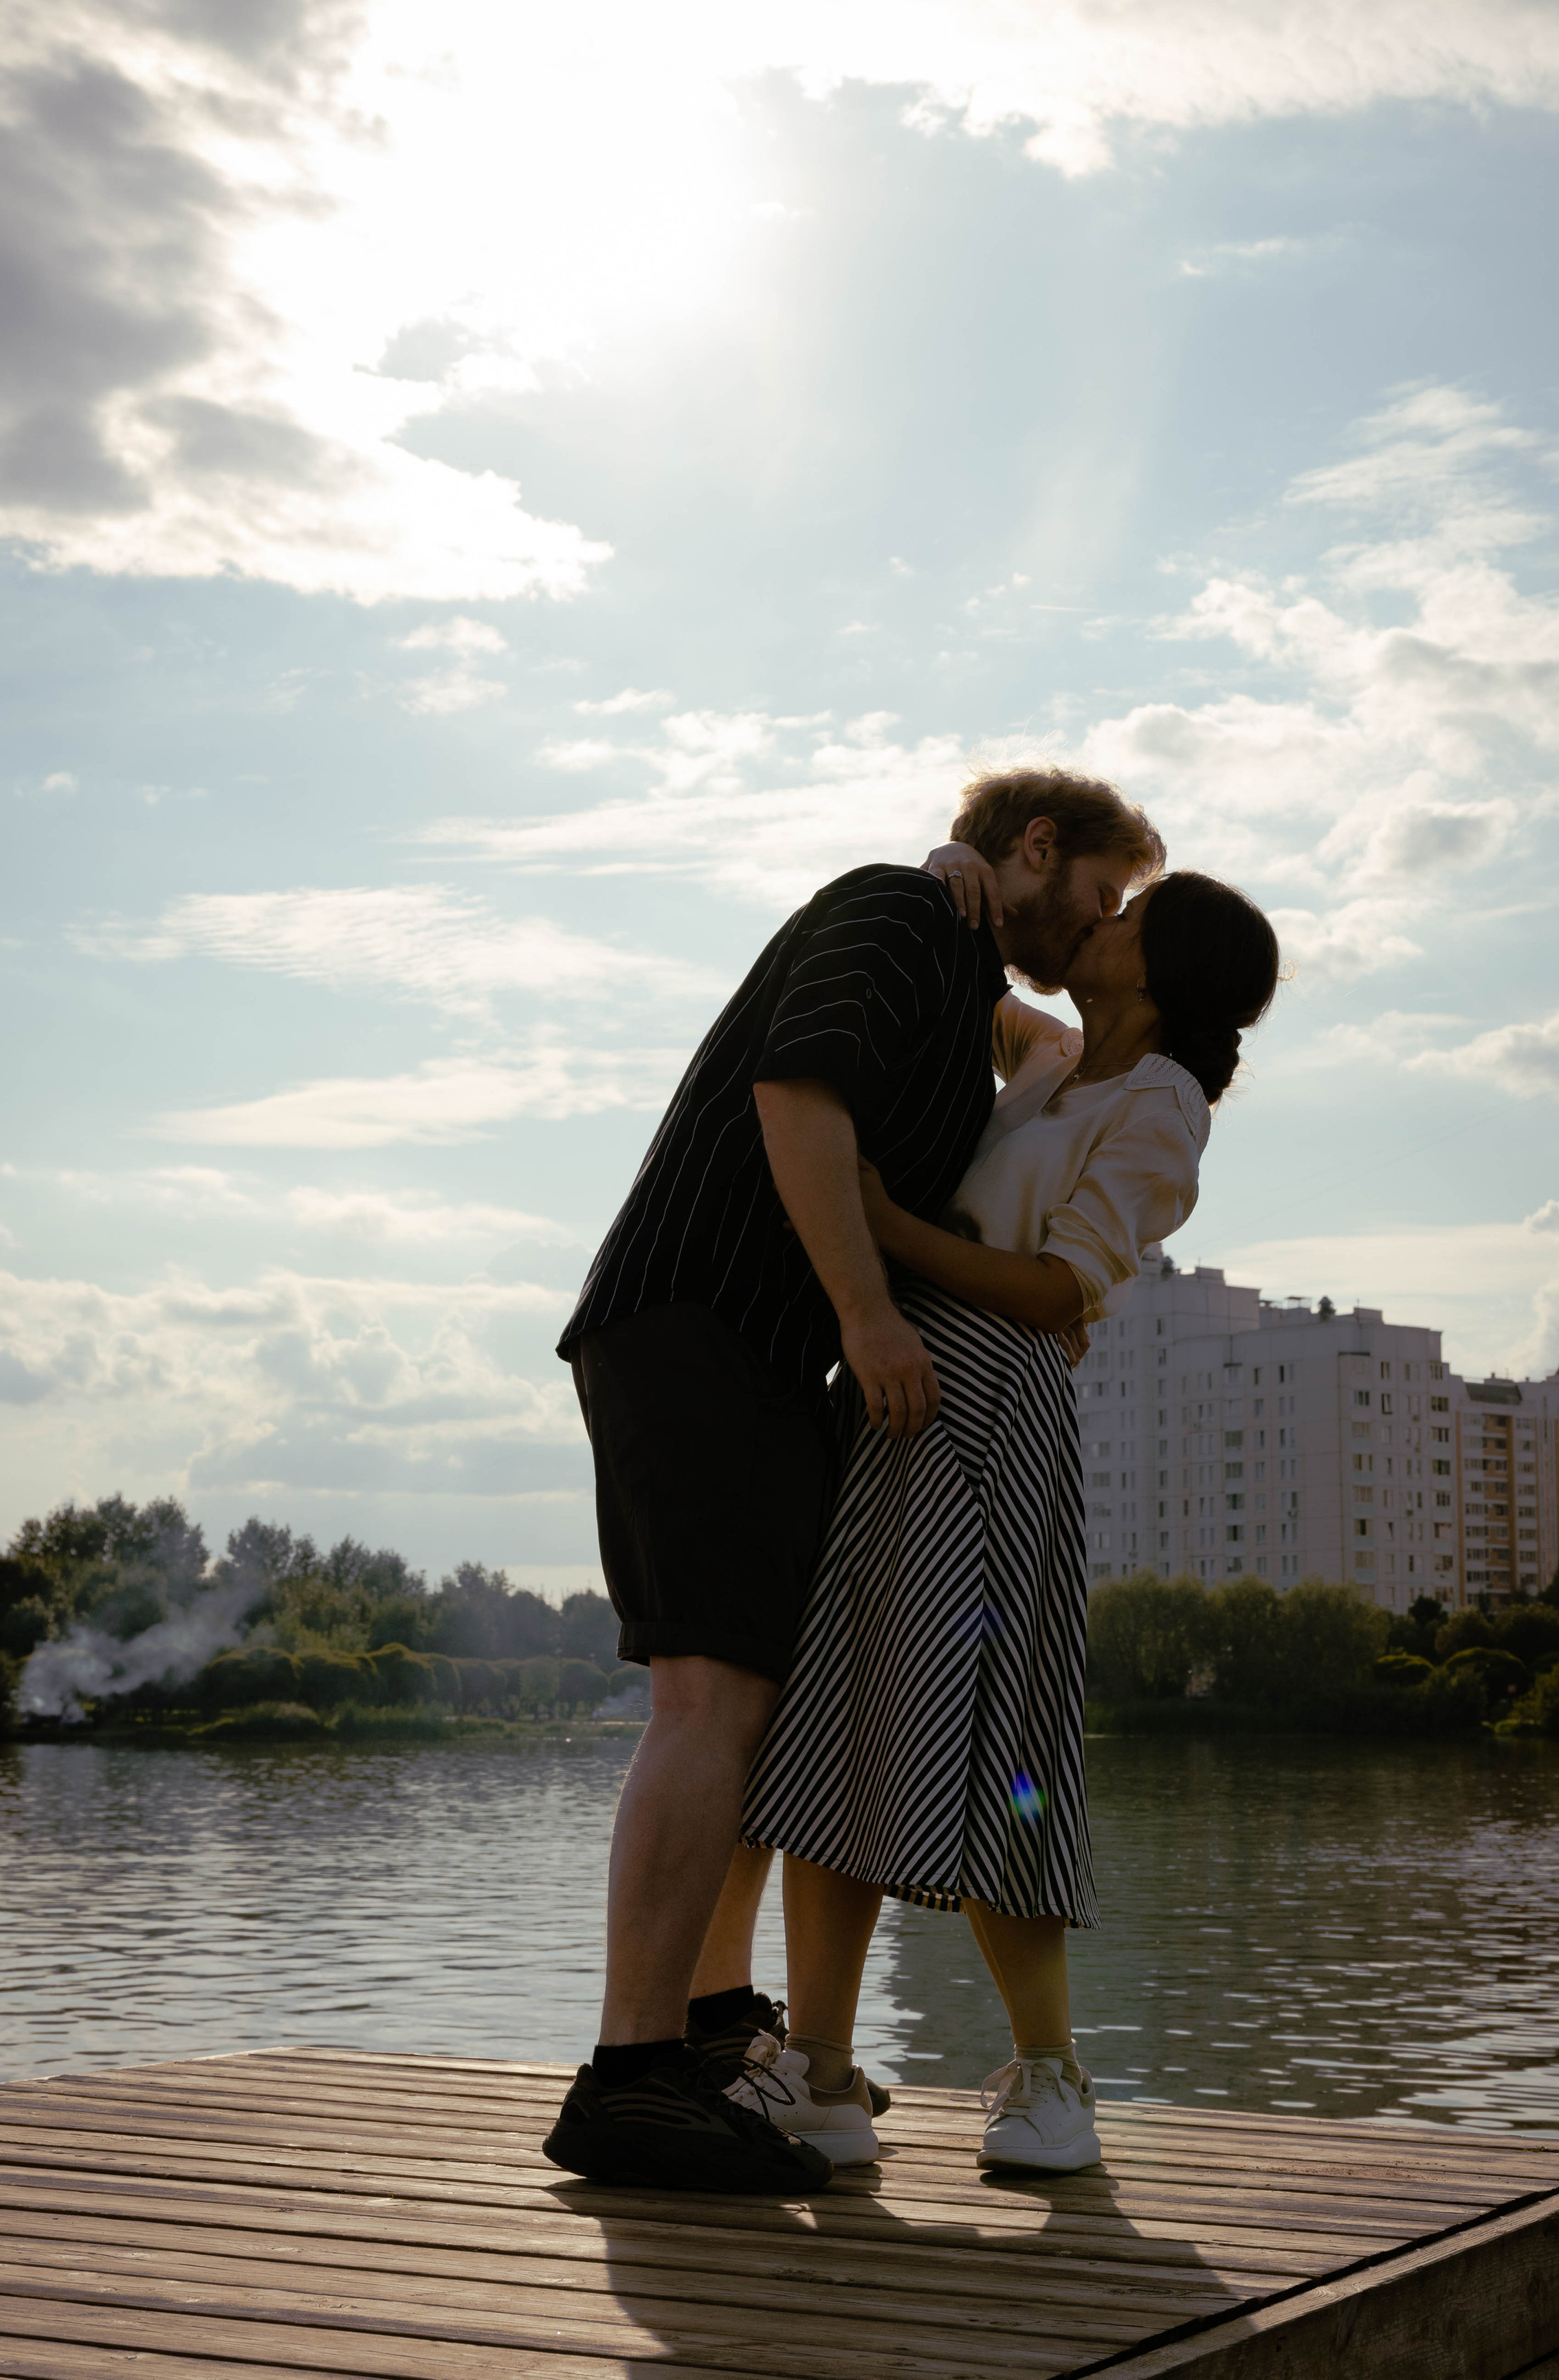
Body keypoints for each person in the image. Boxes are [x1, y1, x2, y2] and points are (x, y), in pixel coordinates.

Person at [543, 768, 1164, 2193]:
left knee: (753, 1700)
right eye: (1096, 892)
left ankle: (702, 2039)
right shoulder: (896, 915)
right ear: (1035, 846)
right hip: (701, 1326)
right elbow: (794, 1091)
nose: (1097, 923)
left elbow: (1077, 1052)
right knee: (710, 1696)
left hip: (763, 1366)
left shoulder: (960, 977)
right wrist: (869, 1315)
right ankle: (631, 2076)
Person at [730, 861, 1280, 2172]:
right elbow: (988, 975)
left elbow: (1056, 1290)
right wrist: (956, 871)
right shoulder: (1055, 1061)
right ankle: (818, 2067)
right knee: (845, 1717)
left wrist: (884, 1228)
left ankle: (1052, 2081)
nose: (1107, 917)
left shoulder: (1165, 1107)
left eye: (1135, 915)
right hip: (898, 1388)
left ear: (1168, 969)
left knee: (996, 1739)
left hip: (987, 1398)